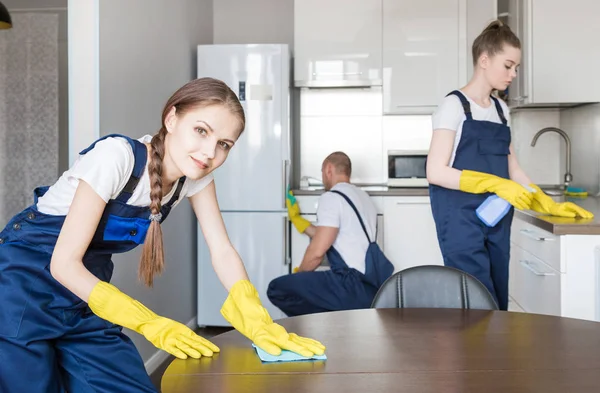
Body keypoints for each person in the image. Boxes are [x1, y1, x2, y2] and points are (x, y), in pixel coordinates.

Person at [0, 77, 325, 393]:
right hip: (23, 287)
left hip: (83, 295)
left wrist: (256, 316)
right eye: (201, 130)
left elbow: (222, 250)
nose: (210, 152)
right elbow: (64, 264)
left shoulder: (192, 178)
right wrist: (147, 321)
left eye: (224, 144)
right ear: (171, 118)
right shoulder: (117, 157)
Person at [426, 20, 593, 311]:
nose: (513, 74)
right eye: (508, 65)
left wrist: (546, 202)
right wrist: (495, 183)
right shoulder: (453, 106)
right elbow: (436, 171)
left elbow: (513, 168)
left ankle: (492, 356)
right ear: (484, 60)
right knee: (476, 302)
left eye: (516, 67)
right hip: (460, 220)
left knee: (498, 299)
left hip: (496, 219)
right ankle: (472, 357)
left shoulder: (501, 110)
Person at [267, 152, 394, 316]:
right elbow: (332, 235)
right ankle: (333, 326)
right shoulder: (362, 197)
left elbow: (317, 253)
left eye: (322, 173)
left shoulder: (332, 197)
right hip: (371, 288)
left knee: (278, 289)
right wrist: (298, 220)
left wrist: (299, 276)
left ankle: (316, 330)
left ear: (328, 169)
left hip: (349, 285)